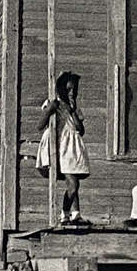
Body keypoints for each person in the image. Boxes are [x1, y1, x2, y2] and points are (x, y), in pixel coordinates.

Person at [36, 71, 91, 226]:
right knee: (73, 184)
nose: (72, 93)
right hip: (58, 146)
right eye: (68, 90)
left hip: (71, 149)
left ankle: (75, 215)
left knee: (72, 182)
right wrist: (49, 110)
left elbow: (81, 130)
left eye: (74, 90)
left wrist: (72, 113)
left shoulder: (74, 109)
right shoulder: (54, 104)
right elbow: (40, 126)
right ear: (60, 90)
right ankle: (64, 215)